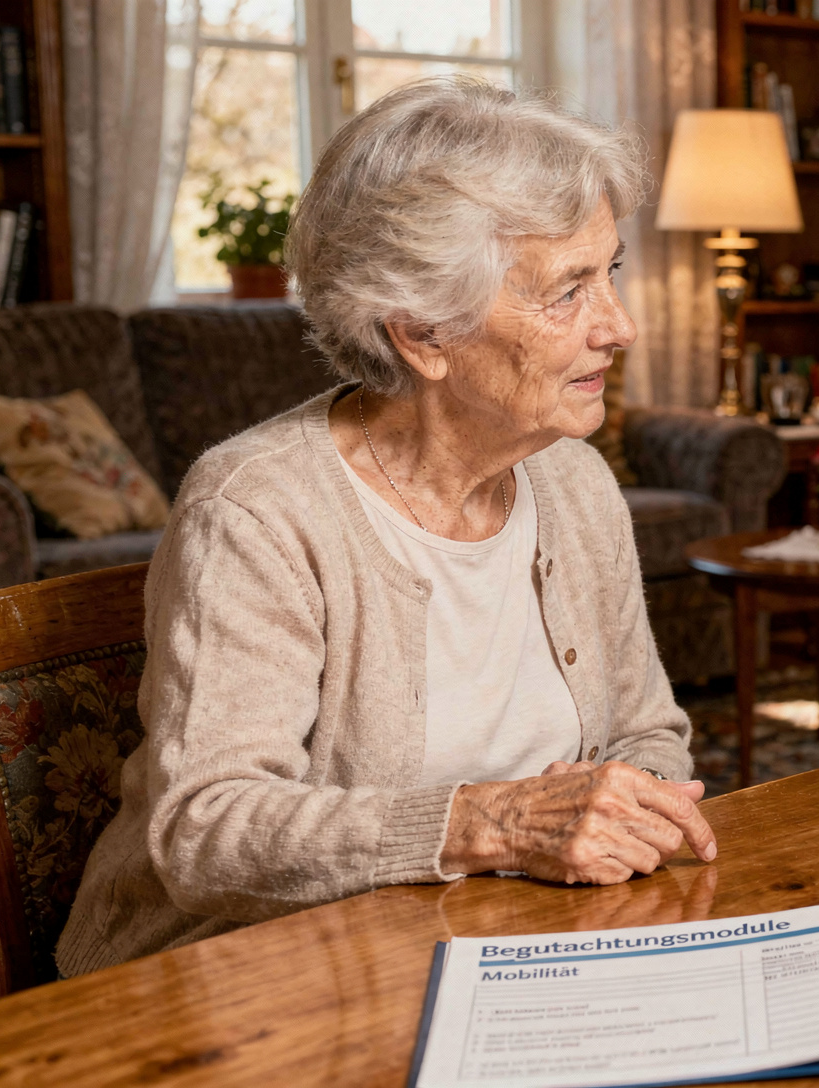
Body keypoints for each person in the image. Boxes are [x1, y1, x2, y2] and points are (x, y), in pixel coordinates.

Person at [58, 77, 716, 977]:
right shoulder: (256, 511)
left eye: (609, 272)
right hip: (234, 983)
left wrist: (626, 805)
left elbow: (648, 730)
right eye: (567, 291)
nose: (621, 326)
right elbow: (204, 829)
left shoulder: (576, 479)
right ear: (422, 333)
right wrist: (493, 824)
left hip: (503, 950)